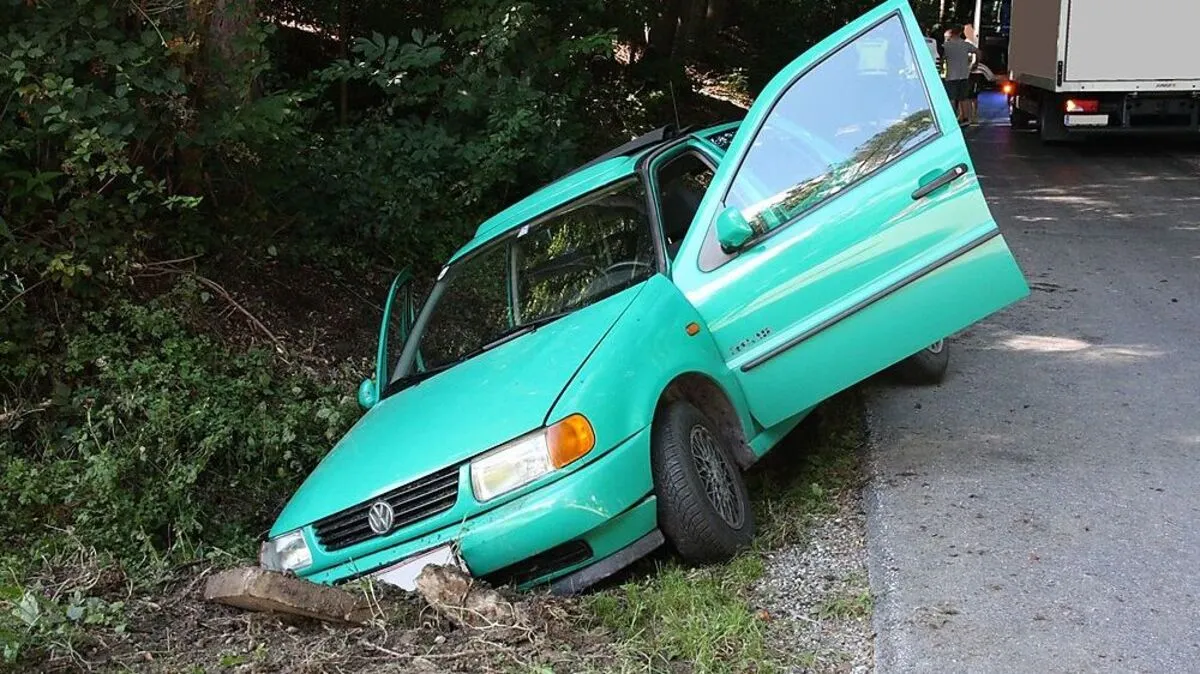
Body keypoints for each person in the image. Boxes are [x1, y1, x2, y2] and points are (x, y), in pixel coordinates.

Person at [941, 26, 977, 125]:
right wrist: (975, 63)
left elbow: (941, 58)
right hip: (964, 75)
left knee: (951, 98)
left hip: (951, 76)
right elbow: (978, 52)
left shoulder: (946, 46)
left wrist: (941, 66)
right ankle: (965, 118)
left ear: (951, 34)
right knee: (963, 98)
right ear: (960, 33)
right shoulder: (966, 45)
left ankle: (951, 118)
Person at [963, 23, 981, 125]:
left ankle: (974, 116)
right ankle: (968, 116)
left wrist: (972, 67)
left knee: (973, 96)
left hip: (973, 73)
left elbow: (975, 57)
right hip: (966, 72)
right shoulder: (965, 42)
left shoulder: (974, 42)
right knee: (968, 95)